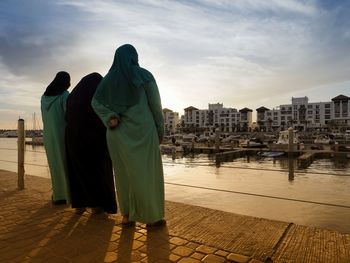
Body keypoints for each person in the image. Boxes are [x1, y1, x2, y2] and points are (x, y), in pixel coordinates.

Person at [92, 44, 165, 226]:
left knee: (123, 175)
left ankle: (127, 216)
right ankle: (152, 217)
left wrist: (110, 117)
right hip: (142, 132)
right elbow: (156, 107)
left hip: (117, 135)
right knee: (147, 174)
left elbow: (95, 102)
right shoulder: (144, 75)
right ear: (134, 56)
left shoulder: (107, 80)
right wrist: (159, 131)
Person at [65, 73, 117, 215]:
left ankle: (80, 205)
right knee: (99, 172)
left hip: (73, 140)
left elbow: (66, 118)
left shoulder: (72, 97)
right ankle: (98, 206)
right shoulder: (97, 97)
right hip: (95, 140)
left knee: (78, 173)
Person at [41, 71, 70, 205]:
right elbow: (68, 115)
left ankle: (58, 195)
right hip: (62, 135)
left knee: (54, 166)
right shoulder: (64, 95)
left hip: (48, 136)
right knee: (65, 165)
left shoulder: (43, 97)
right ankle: (67, 195)